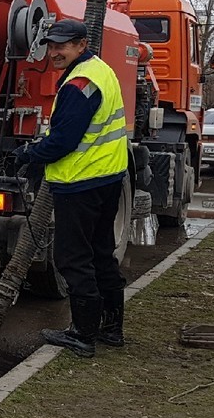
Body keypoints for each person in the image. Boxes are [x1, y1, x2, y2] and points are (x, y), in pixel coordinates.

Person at [14, 18, 128, 358]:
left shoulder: (79, 85)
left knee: (73, 258)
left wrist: (29, 154)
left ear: (81, 44)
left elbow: (64, 140)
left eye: (62, 45)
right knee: (101, 253)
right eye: (51, 45)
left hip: (81, 183)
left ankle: (82, 333)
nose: (54, 52)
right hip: (107, 178)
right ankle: (111, 328)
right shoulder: (100, 70)